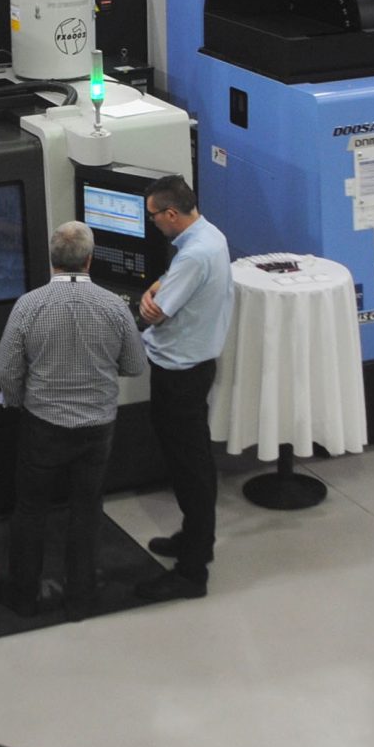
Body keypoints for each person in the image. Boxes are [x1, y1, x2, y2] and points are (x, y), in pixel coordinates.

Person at [0, 221, 147, 620]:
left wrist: (17, 401)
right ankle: (80, 598)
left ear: (52, 259)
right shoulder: (114, 307)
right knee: (86, 509)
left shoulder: (29, 306)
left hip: (43, 424)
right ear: (90, 259)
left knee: (31, 509)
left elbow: (6, 365)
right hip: (97, 428)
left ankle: (24, 597)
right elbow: (135, 364)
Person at [137, 174, 232, 603]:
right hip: (195, 366)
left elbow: (155, 312)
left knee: (189, 467)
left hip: (179, 374)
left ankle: (192, 572)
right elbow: (167, 285)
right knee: (192, 461)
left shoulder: (193, 256)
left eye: (154, 215)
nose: (153, 222)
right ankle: (196, 539)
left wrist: (151, 300)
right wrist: (159, 285)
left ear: (172, 213)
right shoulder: (210, 237)